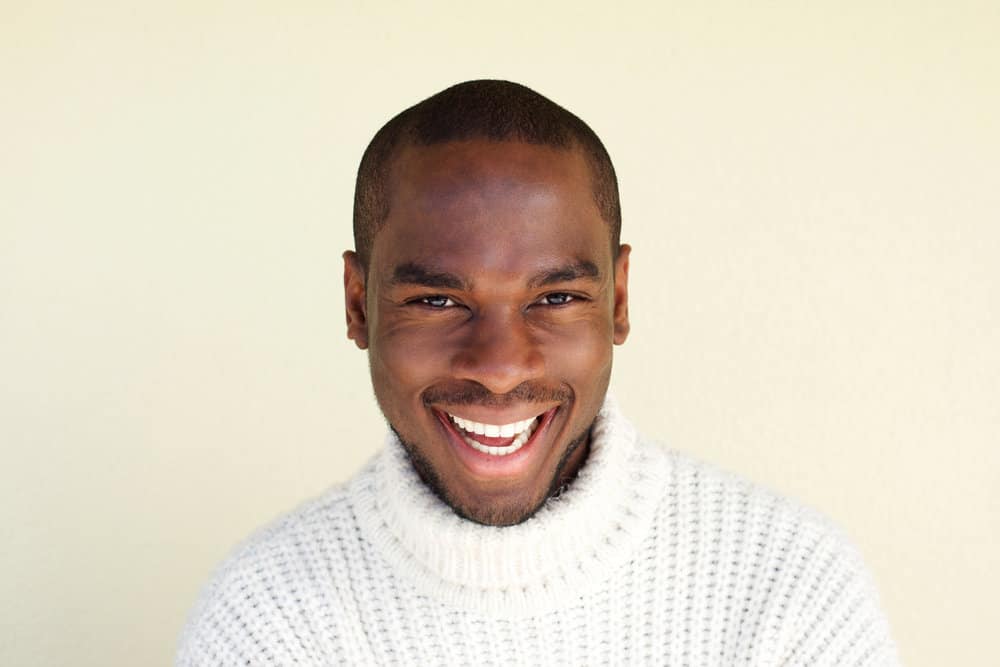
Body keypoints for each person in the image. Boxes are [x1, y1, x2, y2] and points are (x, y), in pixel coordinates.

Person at [177, 80, 899, 665]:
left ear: (617, 301)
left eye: (555, 297)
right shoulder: (266, 619)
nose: (499, 368)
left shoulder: (789, 586)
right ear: (358, 304)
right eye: (437, 299)